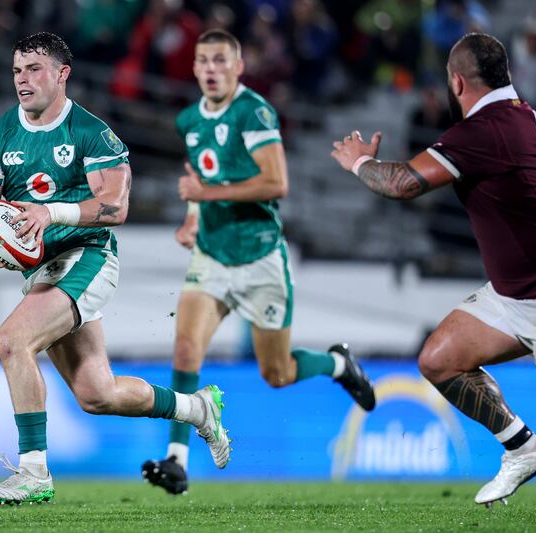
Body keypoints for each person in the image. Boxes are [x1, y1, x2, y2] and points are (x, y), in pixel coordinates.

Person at [331, 32, 536, 530]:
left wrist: (359, 162)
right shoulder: (531, 116)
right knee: (439, 359)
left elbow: (403, 184)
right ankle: (523, 448)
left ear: (457, 81)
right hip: (517, 292)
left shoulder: (481, 131)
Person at [0, 32, 230, 505]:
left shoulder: (91, 132)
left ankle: (33, 472)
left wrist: (53, 214)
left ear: (62, 74)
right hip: (43, 271)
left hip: (88, 256)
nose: (22, 80)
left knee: (12, 340)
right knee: (97, 394)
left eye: (33, 69)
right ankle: (197, 408)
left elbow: (115, 206)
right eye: (16, 71)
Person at [141, 29, 376, 496]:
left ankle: (337, 365)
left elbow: (276, 183)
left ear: (239, 66)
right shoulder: (189, 119)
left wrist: (205, 195)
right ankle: (177, 460)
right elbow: (198, 176)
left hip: (261, 259)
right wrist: (193, 216)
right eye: (203, 61)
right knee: (187, 351)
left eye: (220, 61)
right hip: (212, 255)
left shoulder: (254, 111)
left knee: (277, 372)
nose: (211, 69)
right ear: (193, 68)